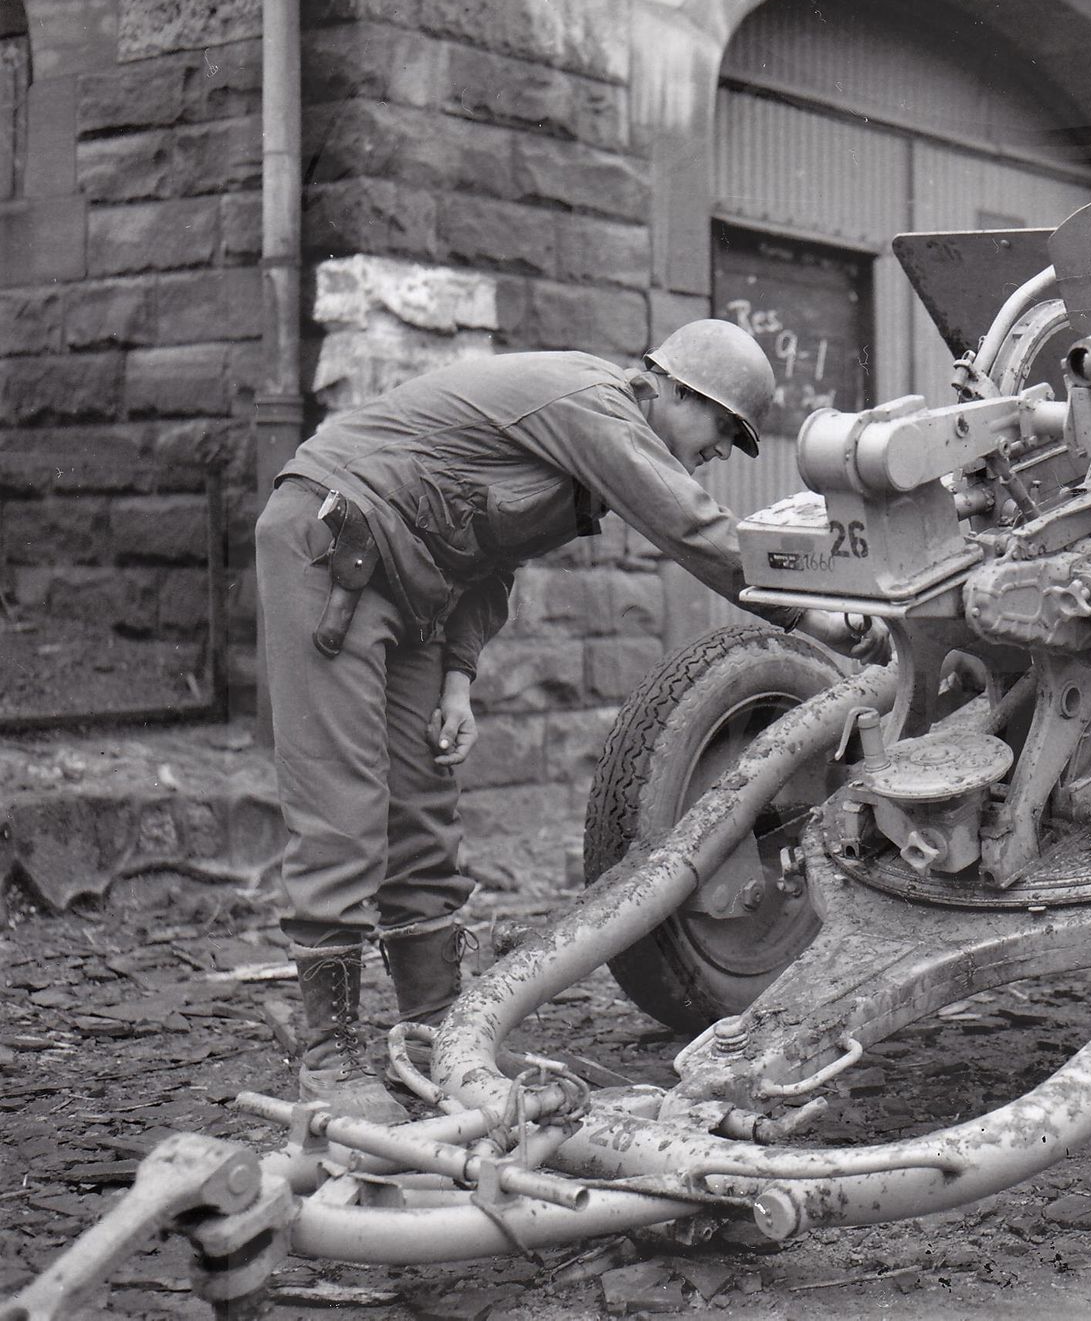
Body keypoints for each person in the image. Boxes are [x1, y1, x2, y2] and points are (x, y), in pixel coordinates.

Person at [254, 320, 862, 1120]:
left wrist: (459, 678)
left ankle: (435, 1031)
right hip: (330, 545)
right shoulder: (593, 404)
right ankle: (330, 1057)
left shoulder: (583, 440)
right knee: (345, 804)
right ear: (671, 388)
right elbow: (686, 522)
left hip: (413, 584)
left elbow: (489, 556)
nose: (719, 452)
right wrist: (809, 613)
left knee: (422, 808)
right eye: (720, 429)